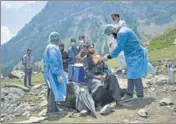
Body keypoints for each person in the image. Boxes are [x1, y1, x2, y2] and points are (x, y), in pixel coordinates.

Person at [104, 24, 148, 102]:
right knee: (130, 75)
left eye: (111, 34)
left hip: (135, 55)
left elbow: (119, 47)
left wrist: (109, 56)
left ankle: (140, 95)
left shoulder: (121, 33)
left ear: (113, 30)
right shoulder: (123, 29)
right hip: (131, 55)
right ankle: (129, 93)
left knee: (135, 75)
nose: (112, 35)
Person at [84, 44, 121, 112]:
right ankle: (98, 104)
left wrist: (105, 75)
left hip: (102, 76)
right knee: (98, 84)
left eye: (93, 47)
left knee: (113, 77)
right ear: (87, 49)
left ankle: (117, 99)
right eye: (90, 48)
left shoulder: (98, 57)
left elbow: (106, 68)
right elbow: (86, 71)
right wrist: (96, 77)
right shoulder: (86, 59)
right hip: (92, 77)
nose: (92, 48)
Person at [43, 32, 67, 119]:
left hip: (50, 72)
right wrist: (57, 74)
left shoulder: (50, 47)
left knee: (54, 89)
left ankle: (55, 108)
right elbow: (53, 61)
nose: (59, 40)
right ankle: (50, 110)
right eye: (58, 38)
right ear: (56, 39)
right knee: (53, 90)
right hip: (53, 72)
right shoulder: (52, 48)